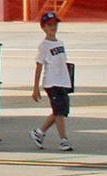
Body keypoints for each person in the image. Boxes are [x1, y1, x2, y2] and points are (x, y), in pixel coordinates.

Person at [31, 10, 75, 151]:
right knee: (59, 112)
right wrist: (35, 87)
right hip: (52, 82)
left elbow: (63, 63)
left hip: (63, 81)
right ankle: (63, 140)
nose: (53, 27)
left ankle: (39, 132)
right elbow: (38, 66)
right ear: (43, 27)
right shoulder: (43, 46)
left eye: (55, 24)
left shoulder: (60, 43)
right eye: (49, 25)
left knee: (60, 111)